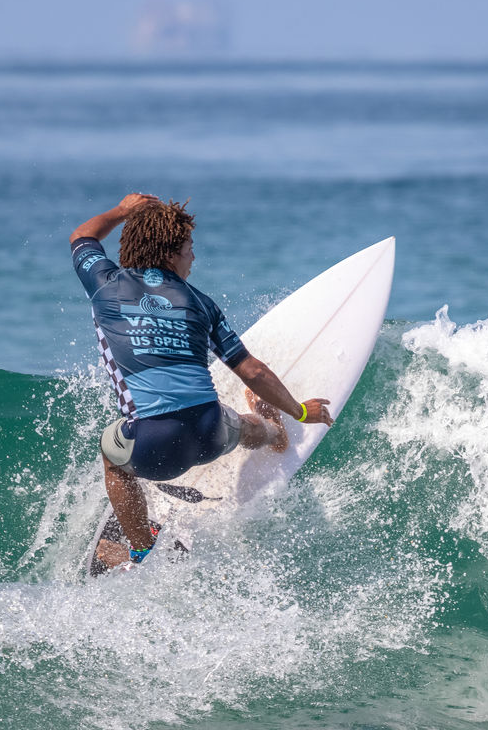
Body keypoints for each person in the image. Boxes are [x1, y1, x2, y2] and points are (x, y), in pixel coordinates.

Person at [70, 193, 333, 567]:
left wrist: (122, 211)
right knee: (239, 424)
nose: (193, 257)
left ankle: (142, 547)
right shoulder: (200, 303)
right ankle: (273, 431)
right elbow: (252, 370)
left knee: (112, 459)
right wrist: (301, 411)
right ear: (170, 254)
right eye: (189, 248)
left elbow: (82, 236)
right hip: (210, 433)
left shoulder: (103, 282)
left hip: (152, 447)